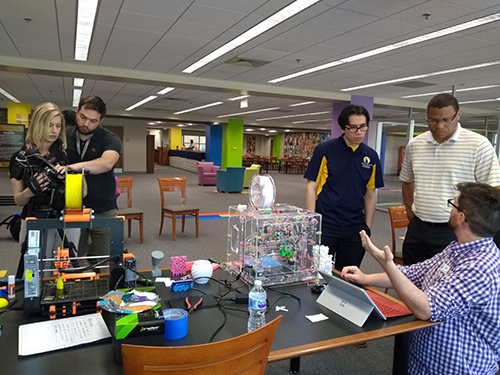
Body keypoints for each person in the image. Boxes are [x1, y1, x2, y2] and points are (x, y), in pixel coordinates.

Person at [342, 182, 500, 375]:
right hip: (426, 363)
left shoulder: (480, 267)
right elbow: (412, 274)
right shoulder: (457, 249)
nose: (449, 208)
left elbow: (426, 308)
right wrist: (365, 277)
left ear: (461, 218)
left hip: (456, 368)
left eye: (453, 204)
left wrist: (387, 264)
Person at [400, 93, 500, 265]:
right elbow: (407, 181)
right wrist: (410, 211)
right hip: (418, 227)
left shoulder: (478, 145)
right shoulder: (415, 145)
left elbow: (493, 191)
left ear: (458, 115)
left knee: (446, 285)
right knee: (409, 277)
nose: (439, 125)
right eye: (433, 120)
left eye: (446, 120)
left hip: (455, 229)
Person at [304, 104, 384, 271]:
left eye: (363, 127)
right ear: (342, 127)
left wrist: (367, 227)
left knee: (349, 276)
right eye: (353, 128)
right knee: (317, 272)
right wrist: (312, 222)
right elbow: (312, 186)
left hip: (355, 226)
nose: (359, 132)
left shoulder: (371, 156)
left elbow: (370, 193)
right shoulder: (325, 150)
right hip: (326, 223)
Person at [9, 102, 72, 278]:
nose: (54, 130)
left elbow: (82, 192)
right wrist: (30, 191)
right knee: (32, 273)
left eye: (58, 126)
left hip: (61, 218)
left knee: (61, 271)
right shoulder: (21, 158)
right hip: (32, 218)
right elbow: (18, 199)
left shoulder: (64, 155)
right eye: (49, 125)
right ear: (38, 124)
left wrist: (73, 178)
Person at [66, 95, 121, 264]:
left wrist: (74, 167)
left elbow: (107, 163)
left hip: (103, 208)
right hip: (71, 208)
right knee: (74, 260)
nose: (86, 124)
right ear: (77, 111)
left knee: (105, 261)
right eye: (82, 117)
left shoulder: (110, 138)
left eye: (93, 121)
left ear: (101, 121)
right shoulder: (63, 135)